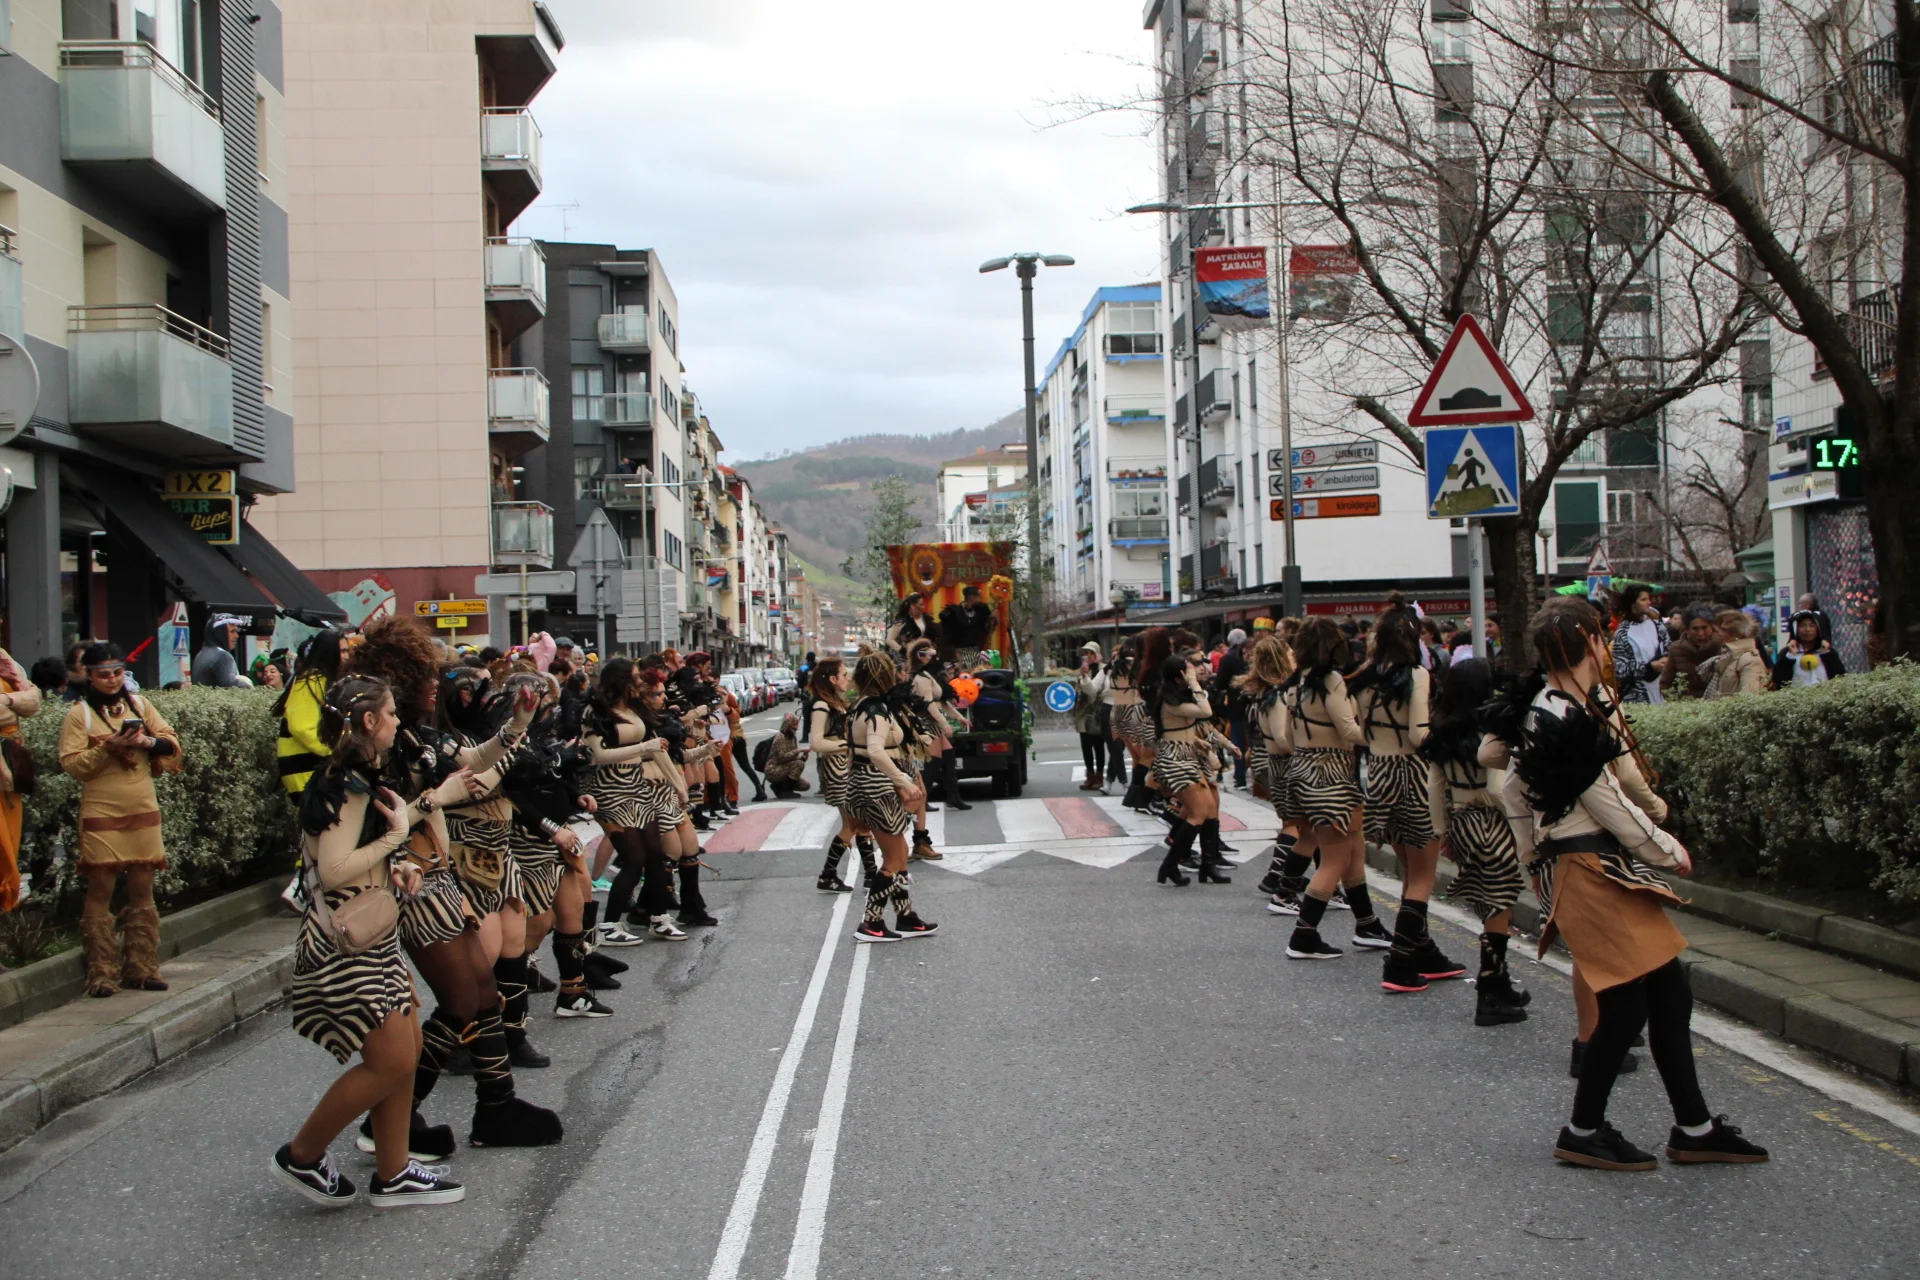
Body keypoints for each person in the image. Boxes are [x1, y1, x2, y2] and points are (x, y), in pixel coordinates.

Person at [1505, 597, 1767, 1171]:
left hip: (1591, 867)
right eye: (1601, 637)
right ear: (1588, 641)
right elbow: (1605, 800)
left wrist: (1532, 859)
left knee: (1667, 994)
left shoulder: (1551, 706)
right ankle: (1584, 1130)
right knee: (1627, 1008)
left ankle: (1694, 1127)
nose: (1605, 646)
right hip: (1590, 868)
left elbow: (1511, 789)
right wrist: (1667, 848)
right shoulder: (1565, 715)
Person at [343, 617, 561, 1151]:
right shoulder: (372, 750)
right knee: (463, 996)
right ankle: (392, 1120)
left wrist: (516, 726)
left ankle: (495, 1106)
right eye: (426, 676)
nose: (434, 686)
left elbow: (470, 761)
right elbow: (387, 821)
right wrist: (435, 799)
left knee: (482, 991)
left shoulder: (413, 736)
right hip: (410, 881)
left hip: (438, 874)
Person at [275, 674, 465, 1209]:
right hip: (346, 944)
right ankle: (302, 1155)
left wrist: (397, 863)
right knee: (389, 1062)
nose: (399, 722)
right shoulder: (345, 784)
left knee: (406, 1053)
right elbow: (335, 869)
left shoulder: (357, 778)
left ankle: (394, 1171)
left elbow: (354, 854)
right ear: (368, 721)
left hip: (372, 937)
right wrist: (397, 837)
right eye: (391, 713)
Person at [1352, 597, 1464, 992]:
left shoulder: (1365, 680)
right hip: (1414, 776)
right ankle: (1399, 963)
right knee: (1423, 876)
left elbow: (1361, 733)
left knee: (1408, 869)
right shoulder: (1416, 675)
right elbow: (1419, 734)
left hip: (1380, 775)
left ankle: (1423, 951)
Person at [58, 643, 182, 997]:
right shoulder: (79, 714)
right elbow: (72, 765)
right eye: (103, 675)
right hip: (101, 809)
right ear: (89, 676)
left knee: (143, 886)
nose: (112, 680)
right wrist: (106, 747)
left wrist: (146, 741)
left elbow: (172, 744)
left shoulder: (140, 705)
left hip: (143, 806)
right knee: (101, 887)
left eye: (117, 673)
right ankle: (101, 973)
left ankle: (143, 968)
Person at [1421, 658, 1530, 1025]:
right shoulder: (1492, 731)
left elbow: (1434, 786)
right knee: (1501, 902)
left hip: (1461, 822)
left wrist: (1443, 830)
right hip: (1491, 821)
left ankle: (1499, 982)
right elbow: (1498, 789)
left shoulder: (1442, 732)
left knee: (1488, 902)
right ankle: (1490, 991)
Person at [1281, 618, 1386, 959]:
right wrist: (1385, 737)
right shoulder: (1331, 680)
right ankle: (1303, 935)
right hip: (1332, 774)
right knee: (1335, 859)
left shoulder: (1297, 683)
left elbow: (1286, 736)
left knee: (1352, 850)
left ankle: (1367, 924)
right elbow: (1348, 730)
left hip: (1302, 771)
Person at [847, 651, 938, 942]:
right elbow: (875, 751)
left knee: (899, 853)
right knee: (895, 857)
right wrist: (902, 780)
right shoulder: (877, 709)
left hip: (865, 784)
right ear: (884, 676)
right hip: (877, 787)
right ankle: (871, 922)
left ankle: (905, 916)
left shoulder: (860, 706)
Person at [1148, 651, 1230, 885]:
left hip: (1188, 755)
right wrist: (1194, 684)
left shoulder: (1177, 697)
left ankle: (1207, 865)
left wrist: (1196, 741)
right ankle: (1170, 865)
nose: (1195, 672)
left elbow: (1182, 729)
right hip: (1176, 759)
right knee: (1198, 813)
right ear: (1178, 677)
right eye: (1189, 671)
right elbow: (1206, 712)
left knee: (1209, 808)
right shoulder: (1170, 701)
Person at [809, 658, 877, 893]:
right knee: (855, 822)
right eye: (844, 675)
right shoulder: (821, 705)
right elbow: (816, 743)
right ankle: (854, 875)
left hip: (844, 765)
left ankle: (862, 875)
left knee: (857, 821)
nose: (848, 678)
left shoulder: (835, 702)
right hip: (835, 768)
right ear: (832, 679)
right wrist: (847, 745)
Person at [0, 649, 40, 912]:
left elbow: (33, 700)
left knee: (10, 842)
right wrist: (14, 707)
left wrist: (6, 699)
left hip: (8, 772)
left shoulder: (4, 662)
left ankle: (6, 905)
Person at [1609, 585, 1669, 703]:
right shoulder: (1622, 633)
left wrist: (1666, 660)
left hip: (1662, 693)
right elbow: (1619, 669)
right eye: (1643, 599)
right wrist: (1648, 667)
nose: (1649, 602)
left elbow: (1669, 650)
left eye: (1648, 599)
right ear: (1632, 604)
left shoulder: (1658, 626)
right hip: (1637, 698)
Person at [1659, 603, 1724, 701]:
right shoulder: (1677, 649)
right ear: (1687, 629)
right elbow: (1666, 683)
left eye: (1704, 628)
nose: (1701, 634)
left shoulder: (1722, 647)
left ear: (1712, 627)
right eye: (1695, 629)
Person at [1699, 609, 1768, 699]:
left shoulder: (1749, 659)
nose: (1719, 633)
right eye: (1718, 629)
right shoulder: (1727, 657)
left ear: (1737, 633)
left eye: (1724, 630)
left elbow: (1750, 697)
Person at [1214, 628, 1252, 789]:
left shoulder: (1228, 658)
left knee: (1238, 741)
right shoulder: (1255, 655)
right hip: (1254, 703)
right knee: (1255, 741)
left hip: (1236, 705)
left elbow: (1220, 683)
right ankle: (1258, 778)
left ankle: (1240, 776)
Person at [1072, 642, 1110, 792]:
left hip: (1099, 711)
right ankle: (1089, 775)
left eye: (1091, 653)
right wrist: (1082, 676)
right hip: (1084, 712)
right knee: (1085, 744)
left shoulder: (1104, 669)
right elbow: (1078, 689)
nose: (1088, 656)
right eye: (1086, 653)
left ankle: (1099, 776)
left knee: (1099, 745)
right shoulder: (1083, 670)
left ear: (1097, 654)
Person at [1772, 610, 1845, 688]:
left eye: (1812, 625)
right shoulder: (1787, 653)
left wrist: (1826, 654)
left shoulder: (1828, 652)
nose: (1807, 629)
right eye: (1802, 625)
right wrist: (1790, 656)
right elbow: (1778, 681)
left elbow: (1840, 677)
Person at [191, 613, 251, 688]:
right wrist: (246, 684)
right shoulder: (223, 657)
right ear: (220, 633)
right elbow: (231, 686)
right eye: (232, 631)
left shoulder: (200, 655)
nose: (236, 636)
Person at [939, 586, 995, 666]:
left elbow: (987, 628)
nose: (981, 598)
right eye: (979, 596)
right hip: (959, 651)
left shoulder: (981, 610)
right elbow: (947, 633)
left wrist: (993, 618)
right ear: (972, 597)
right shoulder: (955, 612)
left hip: (975, 650)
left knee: (977, 670)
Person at [763, 713, 810, 796]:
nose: (796, 728)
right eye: (794, 725)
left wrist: (803, 756)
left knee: (805, 785)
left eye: (796, 725)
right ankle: (786, 791)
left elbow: (793, 758)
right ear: (788, 725)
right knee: (799, 764)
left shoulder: (793, 738)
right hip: (773, 769)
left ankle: (778, 787)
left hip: (785, 767)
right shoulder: (780, 737)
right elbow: (782, 757)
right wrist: (799, 750)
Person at [888, 592, 938, 658]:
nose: (923, 607)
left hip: (925, 655)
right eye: (920, 605)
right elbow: (890, 640)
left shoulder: (926, 619)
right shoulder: (902, 621)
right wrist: (902, 651)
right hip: (909, 656)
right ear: (912, 606)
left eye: (923, 604)